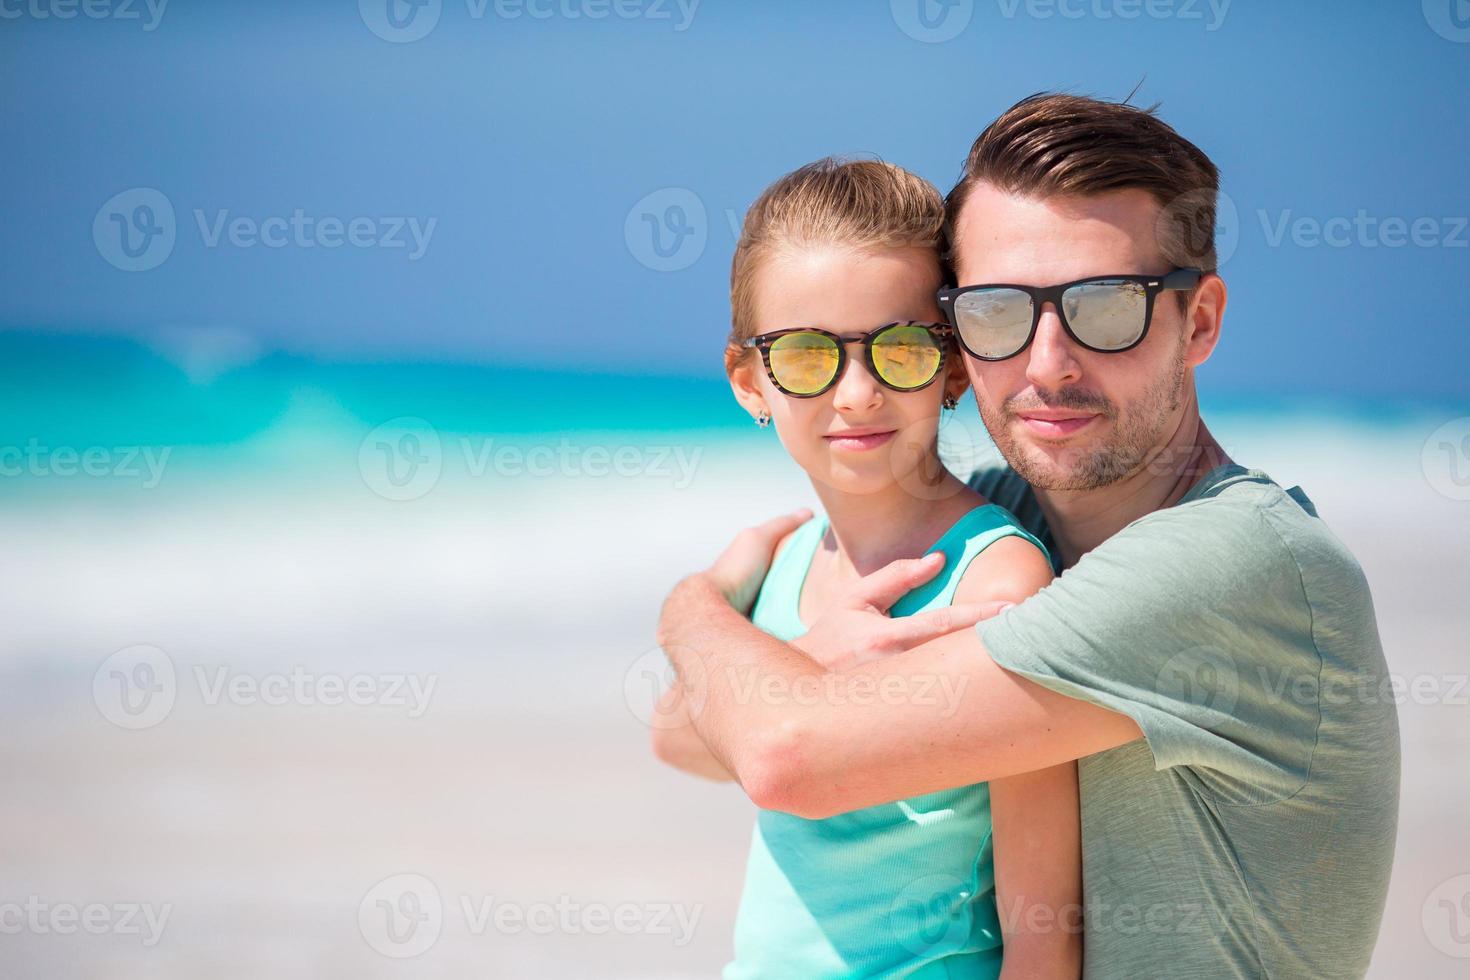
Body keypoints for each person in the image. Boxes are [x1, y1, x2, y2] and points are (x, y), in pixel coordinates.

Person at [656, 93, 1399, 979]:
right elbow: (688, 734)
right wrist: (790, 661)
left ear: (1198, 322)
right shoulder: (1005, 513)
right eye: (1001, 310)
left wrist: (691, 605)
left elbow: (783, 758)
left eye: (1106, 304)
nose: (1048, 362)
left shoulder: (1232, 566)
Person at [653, 157, 1082, 978]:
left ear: (955, 366)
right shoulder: (779, 561)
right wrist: (802, 662)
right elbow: (678, 741)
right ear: (751, 380)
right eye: (809, 356)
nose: (856, 393)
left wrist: (775, 681)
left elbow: (1044, 930)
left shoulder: (994, 582)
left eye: (902, 349)